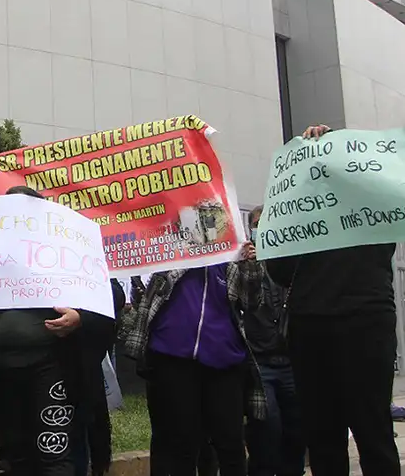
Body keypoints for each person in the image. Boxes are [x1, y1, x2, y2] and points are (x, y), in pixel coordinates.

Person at [0, 186, 121, 476]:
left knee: (53, 452)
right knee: (14, 452)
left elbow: (108, 299)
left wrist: (80, 318)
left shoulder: (67, 249)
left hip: (51, 368)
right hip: (2, 370)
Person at [266, 124, 400, 476]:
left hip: (355, 321)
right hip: (324, 324)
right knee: (338, 432)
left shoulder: (373, 201)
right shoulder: (302, 211)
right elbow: (279, 269)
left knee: (361, 430)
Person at [125, 255, 267, 476]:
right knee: (182, 443)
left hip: (224, 360)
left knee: (230, 442)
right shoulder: (170, 253)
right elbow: (143, 292)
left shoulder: (229, 259)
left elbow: (252, 301)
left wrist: (249, 263)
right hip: (172, 359)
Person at [242, 206, 305, 476]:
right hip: (261, 364)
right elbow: (244, 301)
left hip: (291, 360)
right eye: (257, 224)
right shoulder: (244, 263)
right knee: (267, 430)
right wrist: (250, 266)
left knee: (296, 431)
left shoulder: (290, 260)